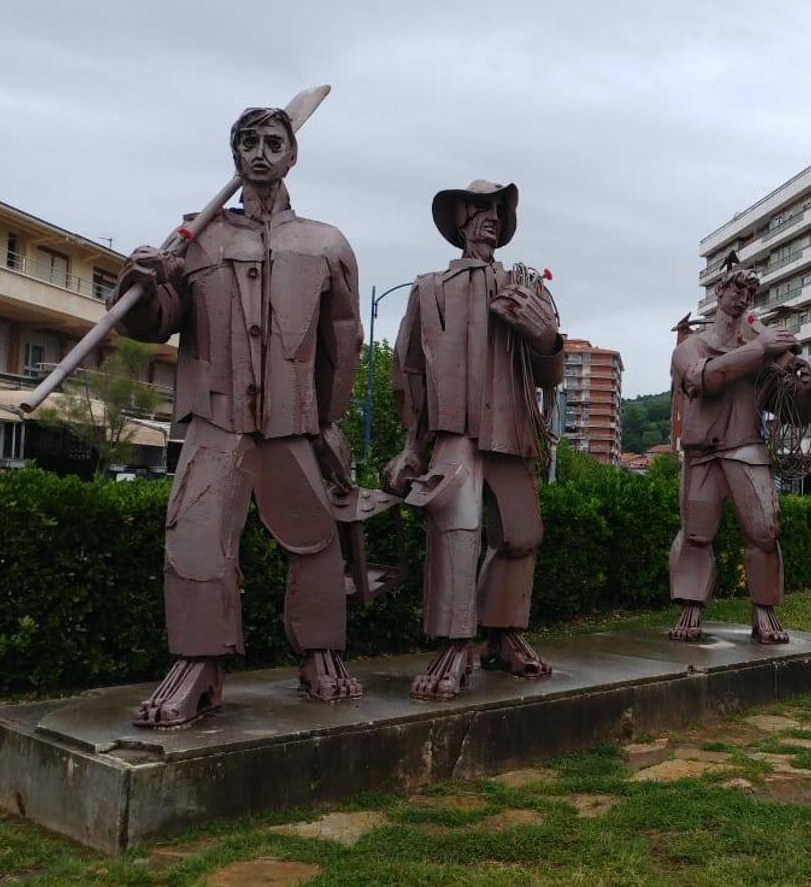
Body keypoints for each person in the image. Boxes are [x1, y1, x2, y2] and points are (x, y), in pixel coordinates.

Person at [114, 107, 363, 727]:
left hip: (291, 423)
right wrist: (139, 282)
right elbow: (155, 322)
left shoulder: (326, 243)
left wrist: (329, 420)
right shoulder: (196, 241)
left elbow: (344, 340)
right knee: (195, 540)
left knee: (315, 542)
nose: (259, 151)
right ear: (234, 154)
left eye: (272, 141)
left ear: (291, 155)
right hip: (216, 421)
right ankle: (198, 664)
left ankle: (320, 653)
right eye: (247, 141)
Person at [383, 180, 563, 700]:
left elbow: (549, 373)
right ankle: (452, 644)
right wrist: (413, 445)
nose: (489, 216)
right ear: (459, 219)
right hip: (454, 429)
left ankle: (504, 636)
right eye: (479, 208)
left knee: (522, 534)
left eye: (498, 209)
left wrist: (545, 336)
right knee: (456, 532)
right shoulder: (429, 287)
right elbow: (409, 370)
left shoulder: (527, 287)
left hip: (511, 428)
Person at [667, 262, 811, 643]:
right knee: (696, 533)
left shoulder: (762, 352)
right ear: (719, 293)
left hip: (747, 449)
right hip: (703, 452)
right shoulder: (692, 346)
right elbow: (702, 379)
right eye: (735, 288)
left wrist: (809, 388)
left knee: (765, 531)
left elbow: (789, 411)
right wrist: (759, 349)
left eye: (749, 292)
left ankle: (764, 610)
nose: (741, 297)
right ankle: (690, 605)